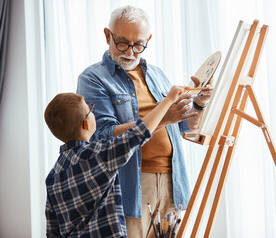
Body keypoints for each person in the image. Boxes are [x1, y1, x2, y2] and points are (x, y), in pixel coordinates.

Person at [76, 5, 212, 237]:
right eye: (122, 42)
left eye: (138, 44)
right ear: (107, 35)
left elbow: (185, 127)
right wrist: (164, 117)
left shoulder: (157, 74)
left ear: (148, 39)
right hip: (132, 183)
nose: (130, 52)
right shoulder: (93, 78)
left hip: (173, 180)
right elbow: (105, 136)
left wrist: (198, 104)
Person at [44, 87, 185, 238]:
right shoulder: (98, 154)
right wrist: (168, 100)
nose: (93, 111)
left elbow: (53, 232)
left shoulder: (53, 175)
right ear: (86, 124)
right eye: (90, 109)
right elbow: (138, 133)